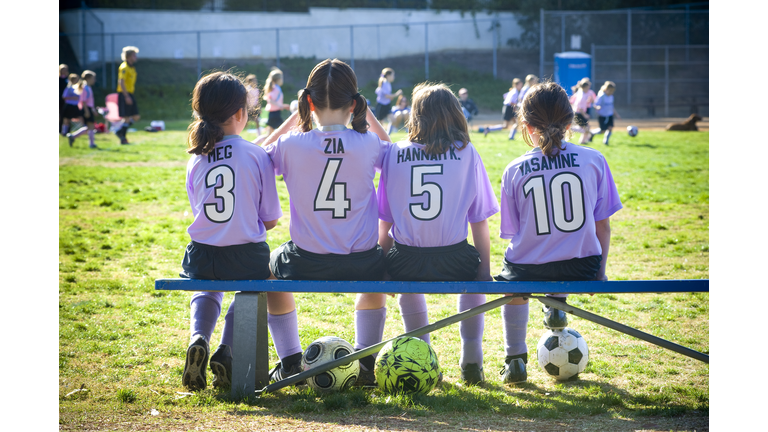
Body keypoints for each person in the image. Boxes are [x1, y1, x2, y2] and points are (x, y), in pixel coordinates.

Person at [260, 58, 391, 384]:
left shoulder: (290, 144)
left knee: (267, 272)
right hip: (361, 260)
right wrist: (367, 112)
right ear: (354, 104)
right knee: (379, 274)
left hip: (307, 259)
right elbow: (395, 153)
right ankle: (366, 361)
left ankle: (290, 361)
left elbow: (258, 156)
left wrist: (295, 115)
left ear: (308, 101)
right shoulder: (369, 143)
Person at [494, 81, 622, 384]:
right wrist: (599, 273)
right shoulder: (595, 160)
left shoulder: (514, 169)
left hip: (528, 270)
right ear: (570, 121)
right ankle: (556, 303)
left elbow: (513, 233)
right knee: (558, 252)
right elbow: (602, 224)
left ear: (525, 125)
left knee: (514, 280)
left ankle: (514, 359)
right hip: (582, 267)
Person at [375, 83, 500, 385]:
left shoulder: (395, 153)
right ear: (455, 115)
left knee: (408, 282)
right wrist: (483, 270)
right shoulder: (467, 153)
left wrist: (382, 269)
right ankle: (472, 357)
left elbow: (385, 222)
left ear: (416, 117)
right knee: (472, 281)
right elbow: (479, 220)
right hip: (454, 258)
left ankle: (424, 353)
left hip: (406, 260)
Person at [180, 71, 296, 391]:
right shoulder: (257, 155)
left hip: (201, 254)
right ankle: (226, 351)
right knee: (251, 286)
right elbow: (270, 220)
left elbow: (199, 212)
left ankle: (199, 337)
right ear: (240, 114)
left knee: (208, 287)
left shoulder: (195, 159)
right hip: (245, 254)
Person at [66, 70, 98, 149]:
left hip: (89, 108)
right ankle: (91, 144)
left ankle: (73, 136)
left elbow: (90, 100)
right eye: (93, 78)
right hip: (86, 108)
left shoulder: (88, 87)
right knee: (90, 126)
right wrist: (87, 111)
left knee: (89, 127)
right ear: (88, 78)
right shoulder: (85, 88)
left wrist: (93, 110)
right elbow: (83, 101)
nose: (94, 80)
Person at [115, 46, 140, 145]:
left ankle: (119, 131)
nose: (136, 57)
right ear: (129, 56)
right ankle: (123, 138)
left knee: (136, 116)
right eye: (134, 55)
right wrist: (126, 96)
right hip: (124, 94)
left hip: (130, 93)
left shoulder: (132, 67)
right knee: (126, 118)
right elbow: (121, 82)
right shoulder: (124, 67)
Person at [590, 81, 621, 145]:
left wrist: (616, 115)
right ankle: (592, 133)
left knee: (610, 128)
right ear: (606, 89)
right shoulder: (601, 96)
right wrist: (597, 107)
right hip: (602, 115)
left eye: (612, 91)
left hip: (609, 115)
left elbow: (611, 107)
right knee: (602, 131)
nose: (611, 92)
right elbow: (595, 104)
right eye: (610, 91)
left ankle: (606, 141)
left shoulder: (611, 97)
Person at [263, 68, 290, 137]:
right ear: (278, 79)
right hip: (274, 114)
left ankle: (260, 145)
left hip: (274, 113)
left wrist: (282, 106)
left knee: (269, 135)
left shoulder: (275, 88)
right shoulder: (276, 88)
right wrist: (280, 106)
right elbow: (270, 100)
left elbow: (274, 101)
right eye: (282, 78)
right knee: (284, 130)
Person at [570, 78, 597, 144]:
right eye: (587, 88)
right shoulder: (582, 96)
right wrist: (585, 115)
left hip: (580, 113)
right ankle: (570, 129)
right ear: (584, 88)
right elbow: (580, 107)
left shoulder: (583, 93)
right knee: (585, 129)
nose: (588, 89)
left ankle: (582, 141)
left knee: (587, 128)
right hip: (580, 113)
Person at [61, 73, 81, 137]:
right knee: (66, 119)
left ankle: (81, 131)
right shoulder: (69, 87)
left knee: (81, 118)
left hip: (76, 105)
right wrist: (72, 98)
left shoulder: (78, 87)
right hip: (69, 105)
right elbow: (64, 97)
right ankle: (64, 132)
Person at [59, 64, 69, 135]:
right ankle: (60, 129)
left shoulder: (68, 79)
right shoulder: (58, 79)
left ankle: (67, 130)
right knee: (60, 115)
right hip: (60, 99)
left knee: (66, 115)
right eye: (63, 70)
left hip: (67, 99)